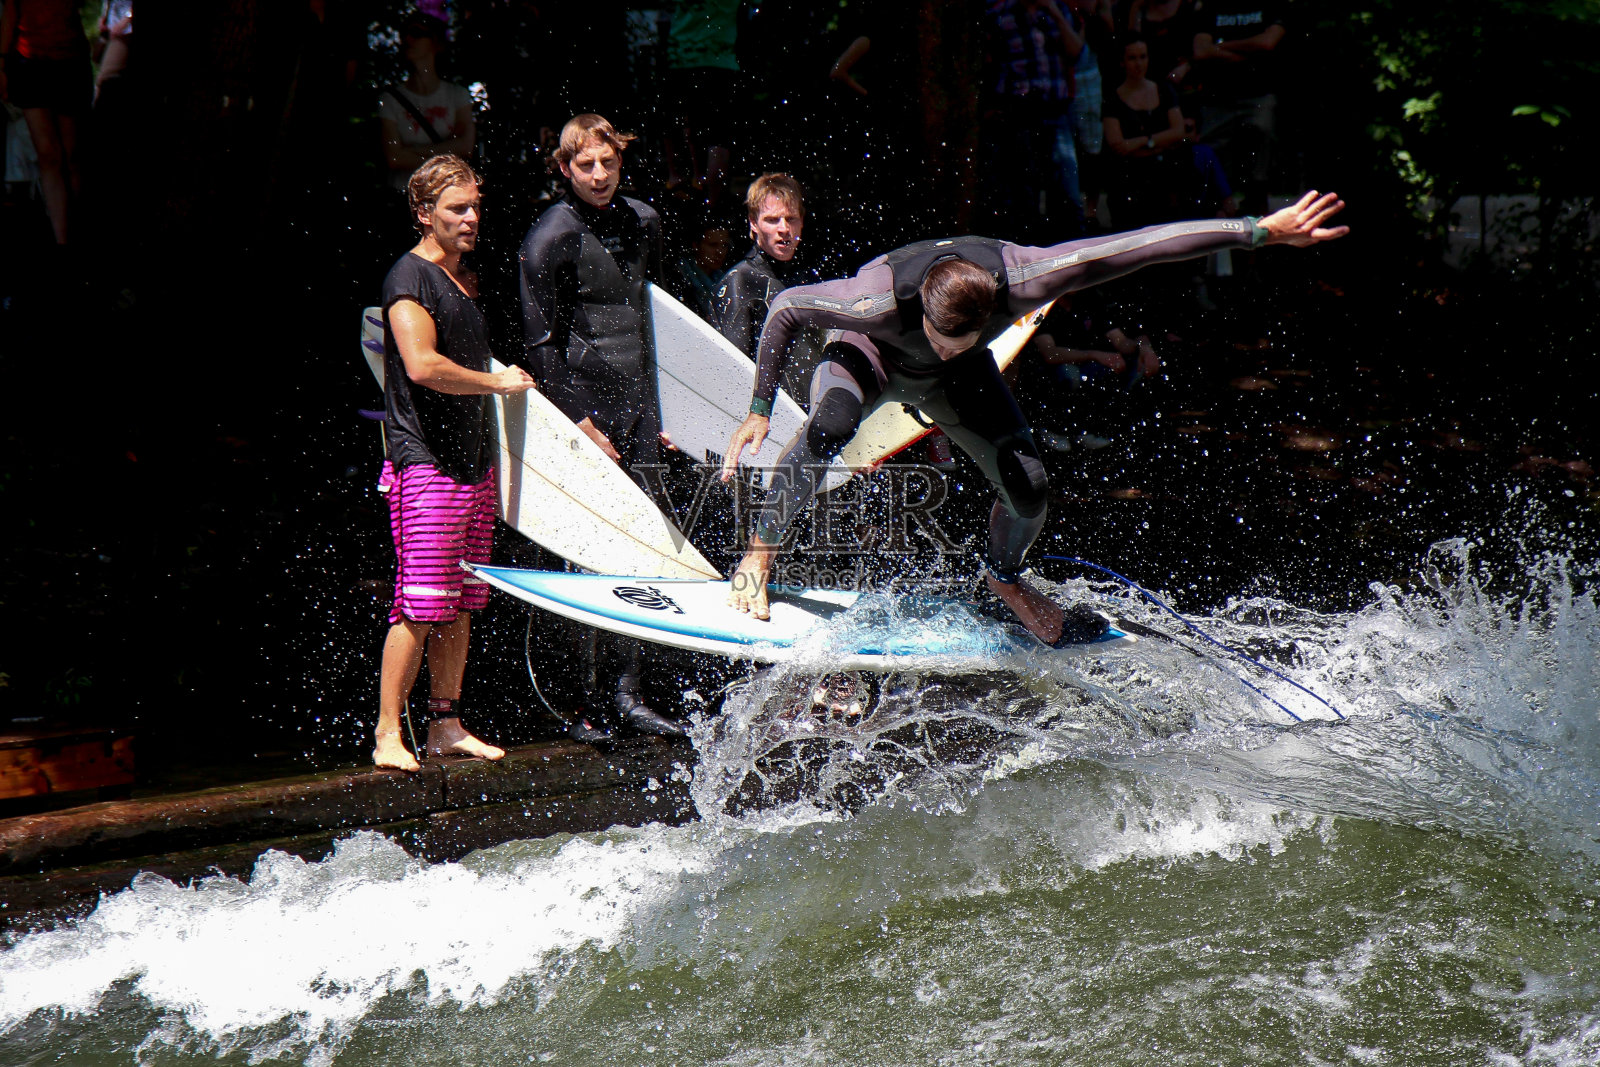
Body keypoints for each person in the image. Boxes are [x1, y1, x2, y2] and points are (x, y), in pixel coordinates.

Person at [717, 191, 1349, 645]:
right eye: (939, 335)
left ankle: (1006, 579)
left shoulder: (1023, 278)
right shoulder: (875, 303)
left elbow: (1135, 248)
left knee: (1030, 487)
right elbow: (789, 309)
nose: (943, 342)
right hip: (870, 359)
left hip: (958, 384)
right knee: (829, 426)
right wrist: (757, 407)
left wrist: (1256, 230)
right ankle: (760, 556)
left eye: (959, 337)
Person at [518, 113, 688, 743]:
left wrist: (676, 410)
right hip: (585, 408)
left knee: (646, 544)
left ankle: (630, 692)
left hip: (643, 403)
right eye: (585, 165)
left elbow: (665, 319)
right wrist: (580, 423)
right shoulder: (547, 239)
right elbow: (540, 346)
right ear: (564, 168)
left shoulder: (644, 221)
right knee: (587, 554)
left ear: (621, 162)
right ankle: (584, 701)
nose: (597, 176)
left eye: (607, 164)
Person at [373, 154, 534, 773]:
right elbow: (421, 366)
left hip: (473, 466)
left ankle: (445, 724)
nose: (470, 218)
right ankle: (390, 733)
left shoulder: (463, 280)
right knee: (418, 603)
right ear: (424, 214)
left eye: (474, 207)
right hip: (427, 467)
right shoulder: (408, 278)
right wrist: (495, 385)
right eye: (456, 209)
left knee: (461, 602)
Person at [983, 0, 1085, 239]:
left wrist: (1054, 13)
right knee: (1023, 196)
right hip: (1019, 114)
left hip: (1056, 111)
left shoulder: (1058, 10)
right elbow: (991, 66)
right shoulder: (999, 15)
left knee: (1067, 191)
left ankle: (1070, 250)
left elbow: (1076, 53)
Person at [0, 0, 91, 247]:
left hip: (69, 58)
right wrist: (2, 62)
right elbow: (11, 7)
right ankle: (63, 242)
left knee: (71, 156)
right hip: (29, 62)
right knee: (48, 155)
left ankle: (80, 233)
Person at [1189, 0, 1285, 213]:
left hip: (1258, 94)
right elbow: (1201, 50)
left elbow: (1268, 42)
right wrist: (1247, 50)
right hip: (1218, 99)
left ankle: (1256, 203)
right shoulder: (1211, 7)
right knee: (1208, 155)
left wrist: (1221, 46)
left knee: (1262, 133)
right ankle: (1217, 209)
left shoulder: (1268, 6)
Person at [378, 13, 475, 195]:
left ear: (435, 43)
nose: (408, 39)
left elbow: (465, 147)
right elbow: (394, 158)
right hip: (403, 195)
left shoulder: (457, 95)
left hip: (445, 195)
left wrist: (410, 152)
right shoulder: (390, 99)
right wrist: (447, 151)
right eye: (405, 33)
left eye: (417, 33)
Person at [1102, 34, 1188, 230]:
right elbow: (1118, 145)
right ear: (1122, 62)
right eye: (1132, 58)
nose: (1139, 64)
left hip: (1164, 175)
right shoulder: (1113, 100)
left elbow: (1178, 132)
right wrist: (1158, 143)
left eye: (1143, 57)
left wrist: (1142, 142)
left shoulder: (1164, 91)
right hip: (1130, 178)